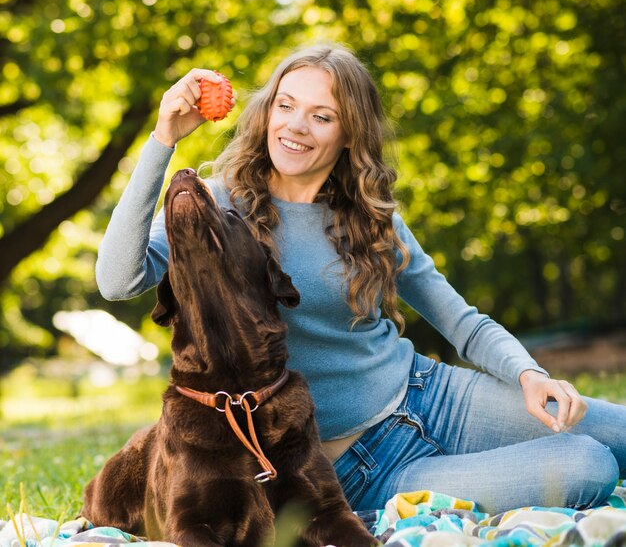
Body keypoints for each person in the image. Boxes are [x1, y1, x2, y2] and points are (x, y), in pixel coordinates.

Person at [96, 43, 626, 515]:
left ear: (349, 133)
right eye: (286, 106)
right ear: (267, 112)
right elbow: (119, 280)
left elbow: (461, 322)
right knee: (588, 466)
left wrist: (529, 374)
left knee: (618, 432)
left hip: (429, 394)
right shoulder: (218, 207)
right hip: (359, 467)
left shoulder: (370, 216)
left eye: (321, 116)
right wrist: (163, 138)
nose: (296, 126)